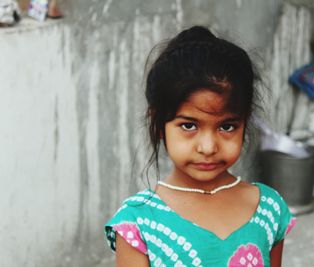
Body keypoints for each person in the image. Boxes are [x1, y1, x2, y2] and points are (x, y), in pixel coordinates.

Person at [104, 25, 296, 267]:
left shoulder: (268, 208)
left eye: (226, 127)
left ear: (245, 123)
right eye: (189, 126)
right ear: (159, 123)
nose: (208, 147)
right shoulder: (139, 222)